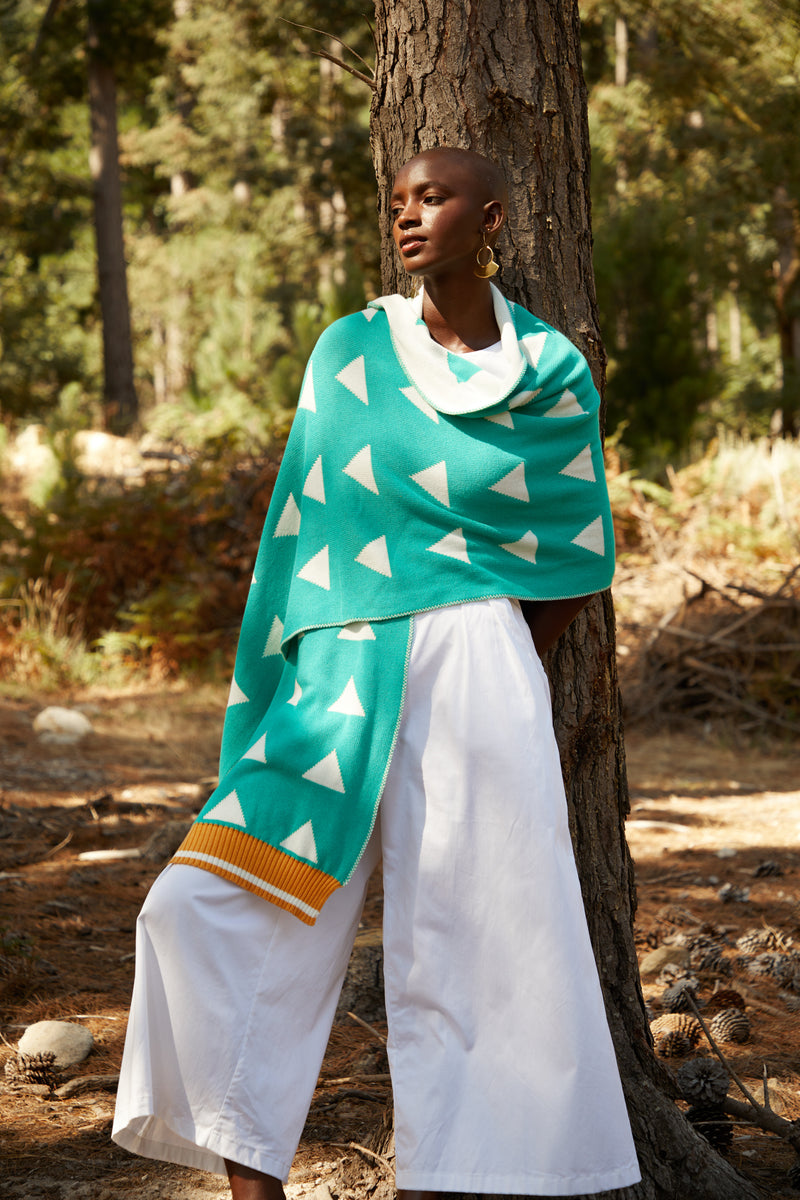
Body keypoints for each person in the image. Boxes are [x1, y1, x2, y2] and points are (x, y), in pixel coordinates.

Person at [113, 146, 641, 1199]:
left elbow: (576, 551)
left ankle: (456, 1179)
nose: (407, 216)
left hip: (481, 667)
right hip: (342, 670)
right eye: (398, 200)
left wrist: (495, 654)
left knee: (477, 932)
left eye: (433, 198)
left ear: (491, 219)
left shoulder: (549, 372)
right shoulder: (349, 350)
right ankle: (251, 1183)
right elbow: (301, 524)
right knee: (204, 903)